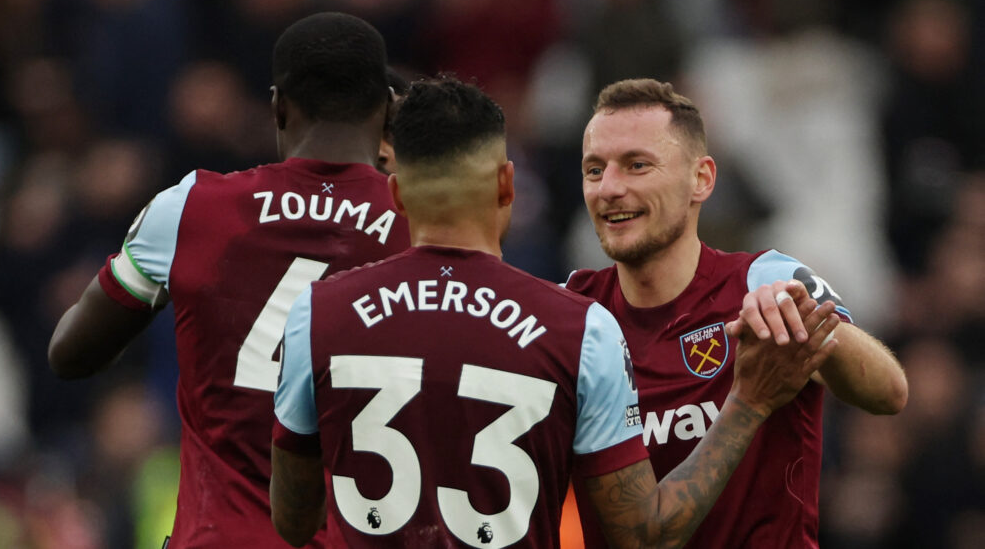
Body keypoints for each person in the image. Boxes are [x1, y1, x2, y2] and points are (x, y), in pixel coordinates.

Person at [269, 76, 841, 548]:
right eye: (596, 169)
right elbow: (642, 535)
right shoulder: (577, 325)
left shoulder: (318, 314)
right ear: (507, 184)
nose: (610, 187)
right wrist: (750, 404)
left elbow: (294, 521)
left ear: (395, 195)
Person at [47, 12, 411, 548]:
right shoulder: (426, 226)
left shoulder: (191, 208)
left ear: (277, 106)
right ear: (387, 112)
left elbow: (70, 353)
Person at [567, 78, 909, 547]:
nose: (609, 188)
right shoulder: (571, 314)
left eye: (637, 165)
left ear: (701, 179)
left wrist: (807, 323)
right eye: (593, 170)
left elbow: (889, 392)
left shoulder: (767, 279)